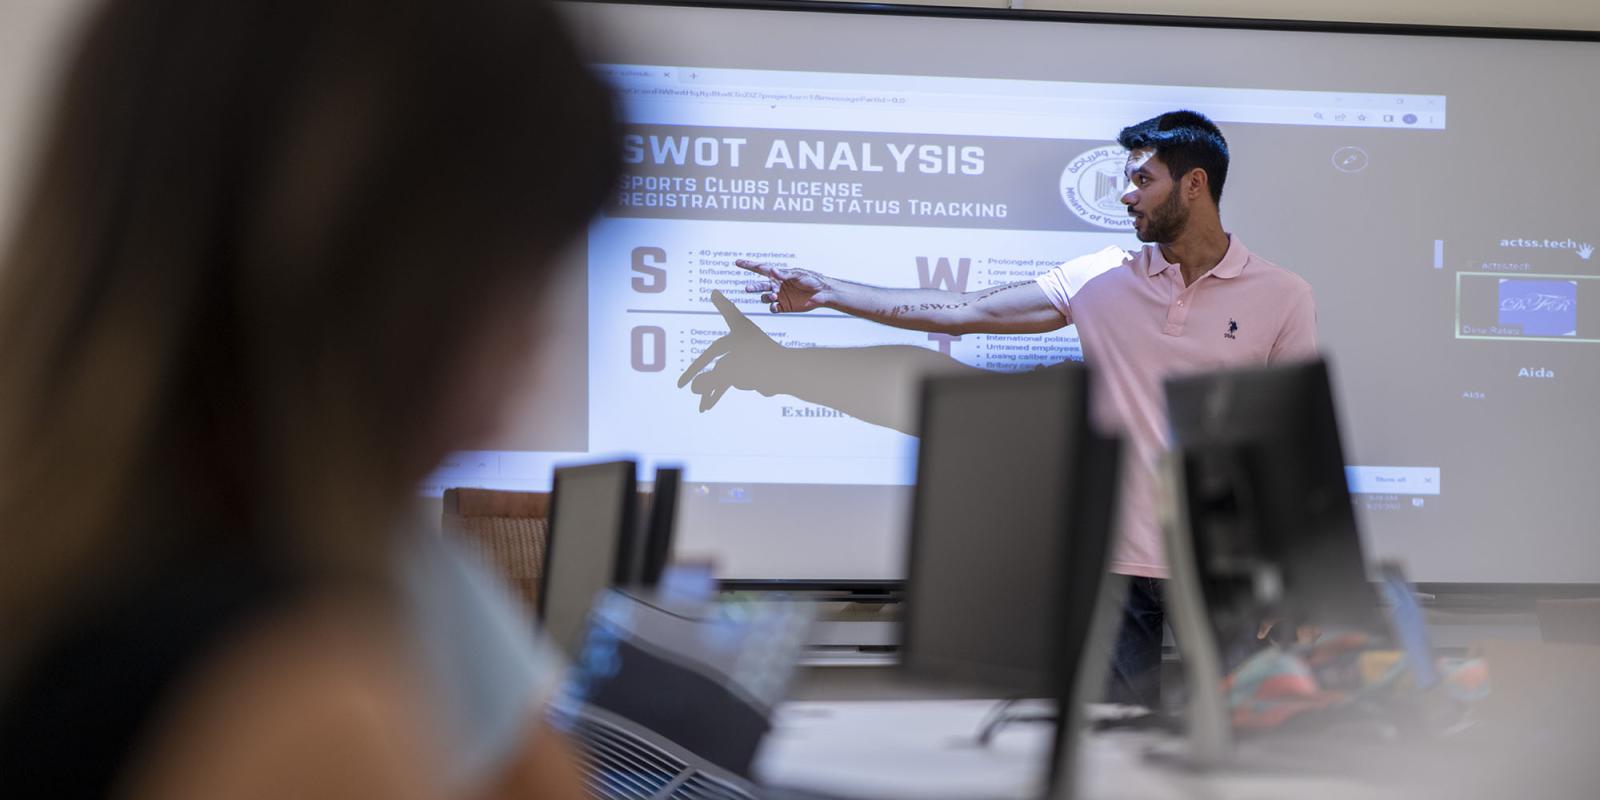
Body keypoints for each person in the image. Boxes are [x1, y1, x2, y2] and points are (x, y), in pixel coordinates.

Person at [0, 0, 618, 797]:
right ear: (399, 295)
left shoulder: (67, 585)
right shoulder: (295, 702)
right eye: (524, 298)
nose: (538, 369)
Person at [737, 110, 1318, 708]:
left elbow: (1291, 449)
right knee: (1106, 744)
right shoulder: (1097, 278)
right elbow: (963, 312)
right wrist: (832, 293)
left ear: (1194, 184)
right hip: (1110, 570)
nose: (1126, 194)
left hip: (1225, 570)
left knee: (1237, 743)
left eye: (1142, 179)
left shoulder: (1282, 296)